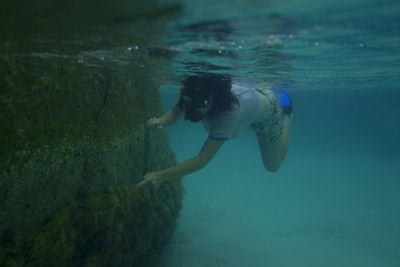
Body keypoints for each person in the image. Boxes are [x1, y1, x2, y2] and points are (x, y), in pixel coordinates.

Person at [137, 74, 293, 188]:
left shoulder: (229, 115)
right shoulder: (196, 91)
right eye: (188, 100)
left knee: (273, 166)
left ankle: (287, 114)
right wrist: (160, 121)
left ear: (215, 99)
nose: (192, 107)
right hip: (252, 104)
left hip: (269, 115)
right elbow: (176, 112)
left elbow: (202, 159)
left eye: (199, 103)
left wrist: (162, 175)